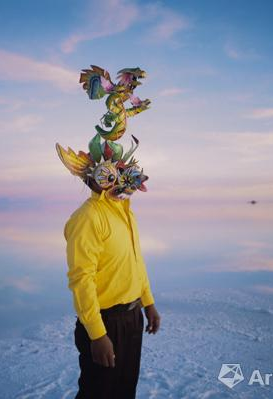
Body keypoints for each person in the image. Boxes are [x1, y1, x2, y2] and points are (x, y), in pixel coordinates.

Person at [56, 64, 160, 398]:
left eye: (125, 168)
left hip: (132, 319)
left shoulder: (125, 212)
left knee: (125, 390)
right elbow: (81, 279)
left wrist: (148, 303)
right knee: (99, 393)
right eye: (116, 170)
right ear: (100, 175)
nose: (125, 176)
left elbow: (135, 262)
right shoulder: (88, 217)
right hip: (105, 322)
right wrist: (97, 334)